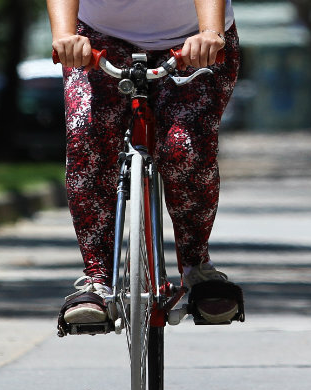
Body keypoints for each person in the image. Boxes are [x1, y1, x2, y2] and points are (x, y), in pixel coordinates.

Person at [47, 0, 241, 327]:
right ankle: (97, 279)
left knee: (185, 147)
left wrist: (210, 32)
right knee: (87, 136)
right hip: (98, 39)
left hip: (194, 40)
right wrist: (66, 36)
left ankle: (198, 268)